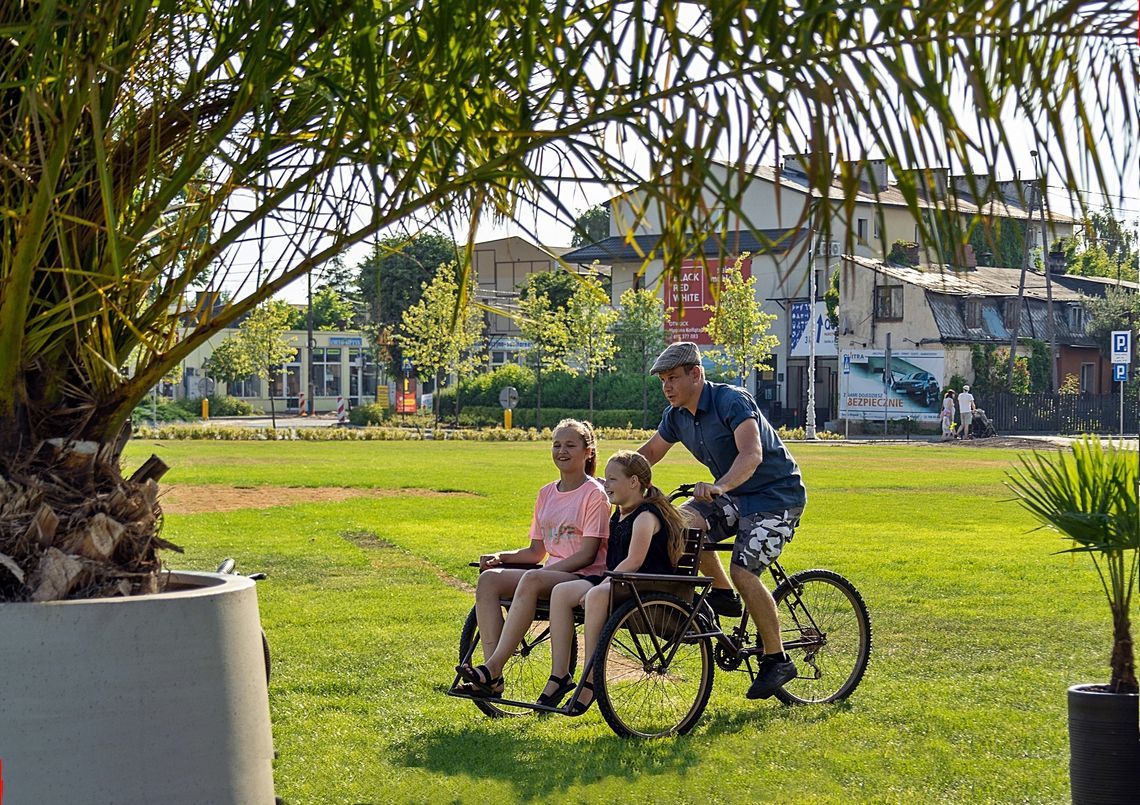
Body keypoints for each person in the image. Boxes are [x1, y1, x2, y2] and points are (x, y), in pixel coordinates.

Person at [636, 342, 807, 700]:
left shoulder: (731, 400)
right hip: (733, 495)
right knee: (679, 525)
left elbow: (752, 453)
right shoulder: (677, 415)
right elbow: (649, 454)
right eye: (662, 381)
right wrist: (617, 479)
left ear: (696, 374)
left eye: (672, 378)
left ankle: (777, 659)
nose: (666, 387)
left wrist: (721, 485)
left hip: (777, 497)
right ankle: (724, 595)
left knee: (745, 571)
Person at [456, 419, 610, 698]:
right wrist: (500, 556)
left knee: (533, 578)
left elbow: (588, 553)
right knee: (489, 579)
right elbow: (536, 552)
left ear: (588, 452)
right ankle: (493, 677)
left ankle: (492, 667)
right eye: (557, 445)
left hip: (586, 575)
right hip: (549, 574)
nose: (562, 451)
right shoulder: (546, 493)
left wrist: (541, 574)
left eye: (570, 445)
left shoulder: (595, 495)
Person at [538, 450, 687, 714]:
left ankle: (591, 678)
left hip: (643, 586)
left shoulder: (646, 516)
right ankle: (560, 675)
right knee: (561, 592)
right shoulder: (619, 514)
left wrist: (603, 586)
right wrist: (603, 583)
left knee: (595, 596)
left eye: (612, 480)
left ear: (634, 482)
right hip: (619, 582)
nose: (605, 486)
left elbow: (634, 562)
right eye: (605, 480)